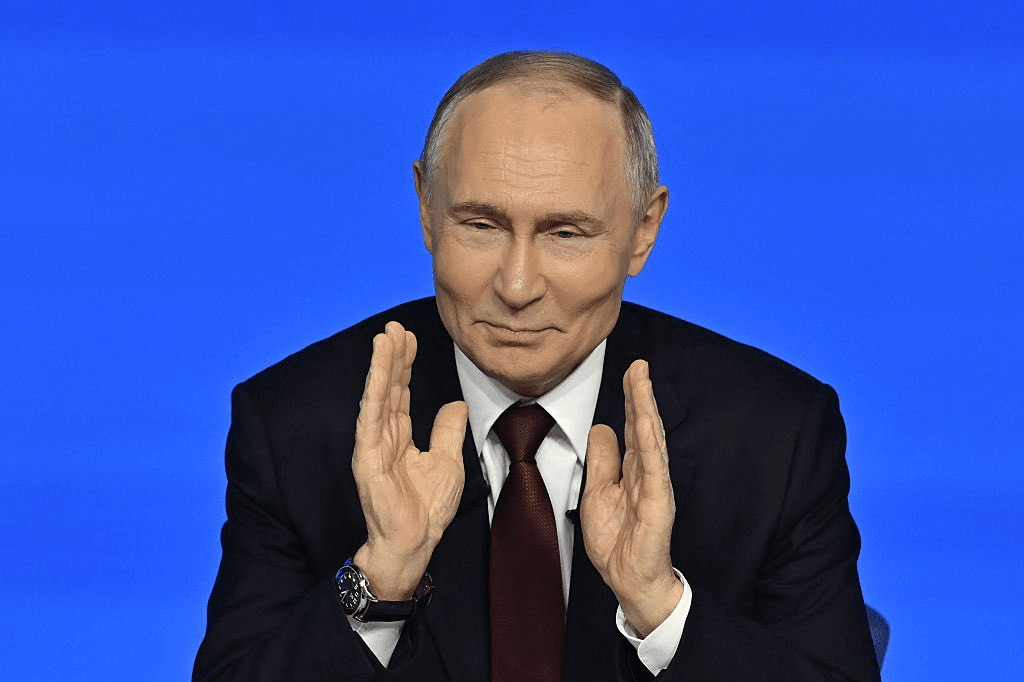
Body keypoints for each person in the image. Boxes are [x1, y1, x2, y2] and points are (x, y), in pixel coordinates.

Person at [193, 51, 881, 681]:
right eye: (481, 225)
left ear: (643, 231)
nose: (517, 286)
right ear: (427, 209)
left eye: (565, 233)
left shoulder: (774, 433)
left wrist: (659, 609)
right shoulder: (293, 423)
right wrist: (381, 578)